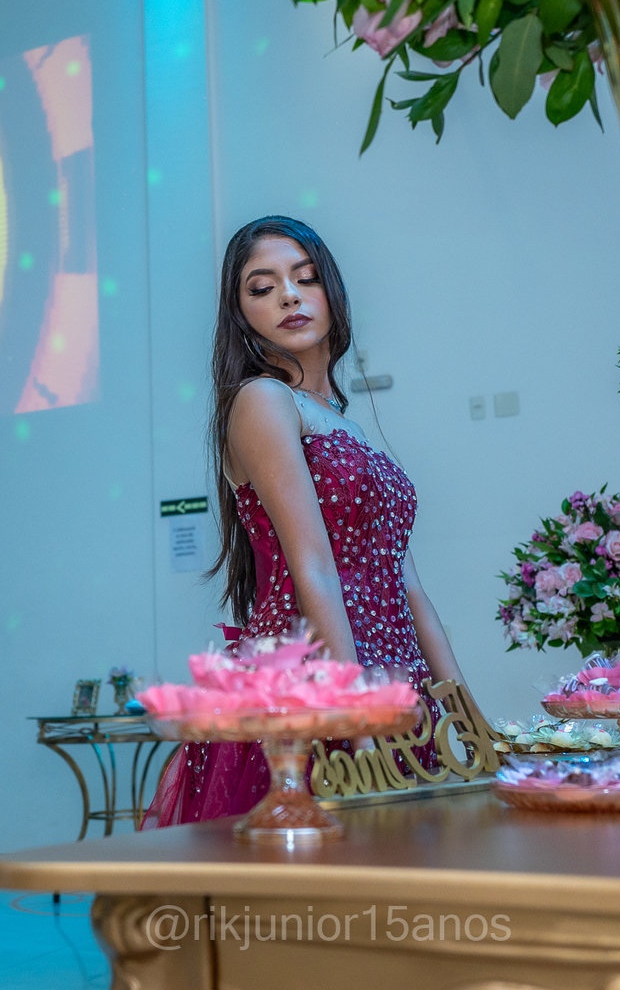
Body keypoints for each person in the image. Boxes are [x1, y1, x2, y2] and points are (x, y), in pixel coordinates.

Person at [143, 215, 468, 827]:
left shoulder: (346, 423)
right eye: (263, 288)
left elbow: (410, 588)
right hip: (313, 685)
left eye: (305, 278)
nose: (289, 297)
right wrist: (353, 712)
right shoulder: (263, 400)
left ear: (331, 291)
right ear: (242, 315)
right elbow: (312, 565)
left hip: (394, 679)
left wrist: (465, 716)